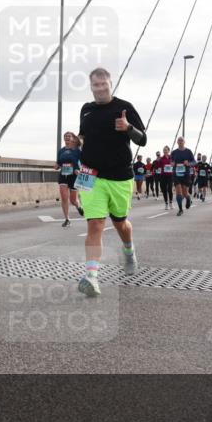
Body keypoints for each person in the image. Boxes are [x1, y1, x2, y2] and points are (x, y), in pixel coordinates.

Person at [76, 67, 147, 297]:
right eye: (96, 85)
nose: (100, 89)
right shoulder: (86, 110)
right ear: (91, 87)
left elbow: (143, 139)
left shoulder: (123, 107)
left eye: (104, 84)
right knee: (95, 224)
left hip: (119, 176)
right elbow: (84, 137)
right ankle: (92, 277)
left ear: (110, 84)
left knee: (120, 223)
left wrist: (128, 128)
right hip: (91, 174)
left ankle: (129, 250)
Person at [57, 131, 84, 227]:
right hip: (63, 175)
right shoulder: (61, 151)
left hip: (74, 176)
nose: (67, 137)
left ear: (73, 138)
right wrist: (56, 166)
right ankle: (67, 219)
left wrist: (79, 169)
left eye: (69, 136)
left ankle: (79, 206)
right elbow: (59, 163)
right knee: (64, 197)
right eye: (65, 136)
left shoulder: (77, 150)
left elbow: (83, 161)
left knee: (73, 200)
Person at [170, 137, 194, 215]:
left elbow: (194, 162)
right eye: (179, 140)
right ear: (177, 142)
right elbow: (171, 162)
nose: (180, 142)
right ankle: (180, 209)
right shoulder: (174, 152)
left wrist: (189, 163)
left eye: (182, 140)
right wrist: (172, 164)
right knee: (178, 192)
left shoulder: (188, 151)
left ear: (184, 142)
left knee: (185, 193)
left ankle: (188, 198)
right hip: (176, 174)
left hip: (186, 174)